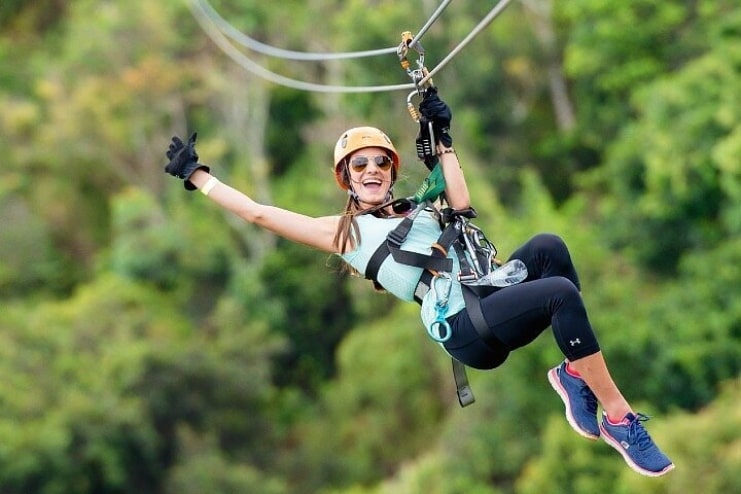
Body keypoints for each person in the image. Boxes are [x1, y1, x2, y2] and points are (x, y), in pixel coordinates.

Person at [163, 89, 674, 477]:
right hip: (465, 326)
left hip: (485, 293)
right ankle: (618, 418)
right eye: (359, 165)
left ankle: (574, 376)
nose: (372, 170)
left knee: (549, 248)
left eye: (380, 163)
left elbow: (463, 203)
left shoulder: (421, 206)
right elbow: (260, 214)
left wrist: (442, 138)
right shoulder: (345, 233)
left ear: (390, 170)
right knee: (560, 294)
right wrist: (198, 176)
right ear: (346, 178)